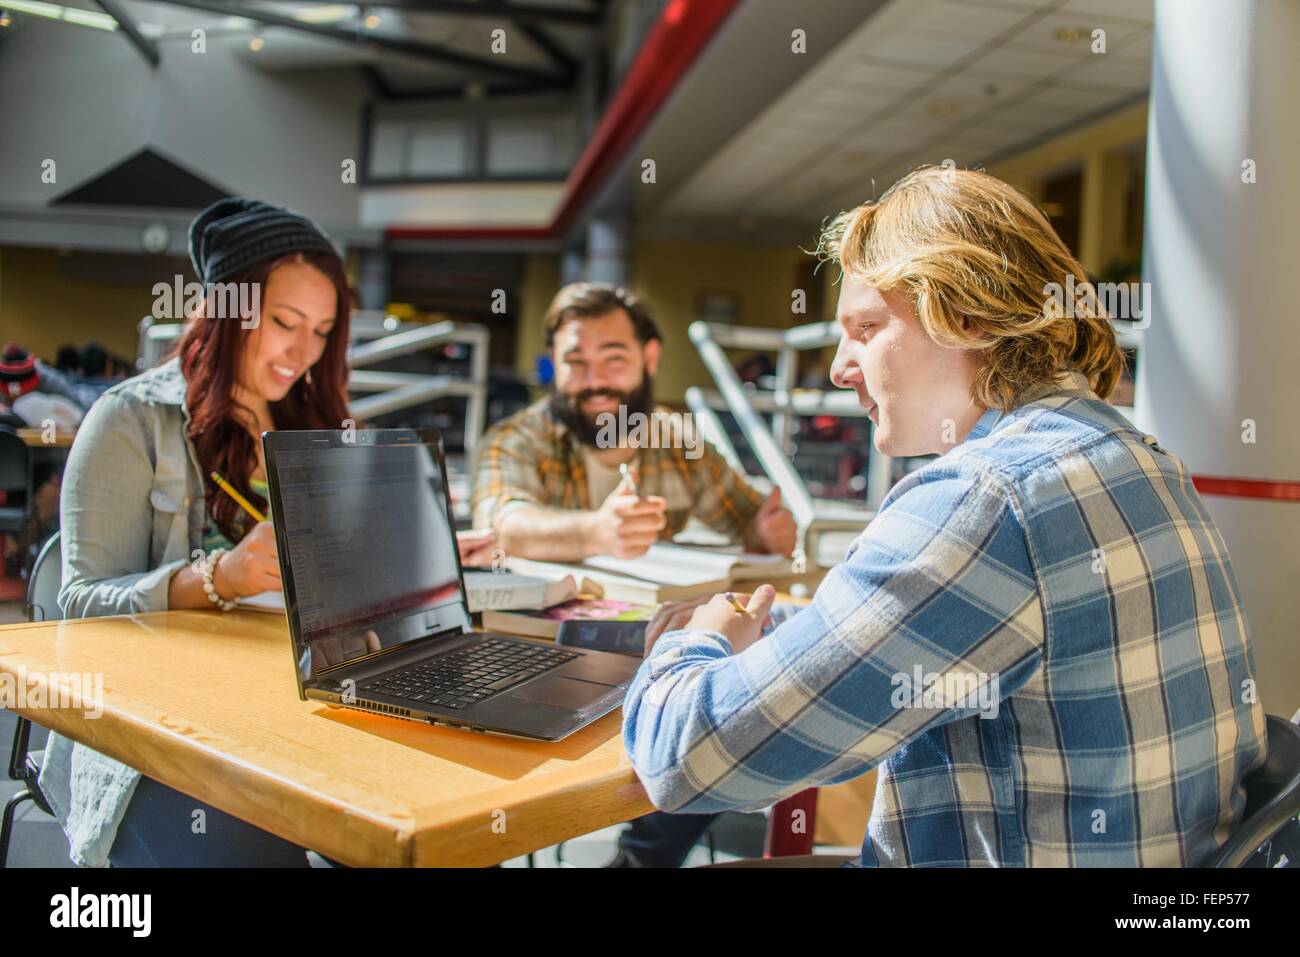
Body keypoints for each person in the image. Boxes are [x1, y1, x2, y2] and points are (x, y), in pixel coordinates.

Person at [624, 166, 1267, 867]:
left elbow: (690, 758)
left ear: (970, 315)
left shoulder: (986, 499)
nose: (839, 367)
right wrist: (784, 637)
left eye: (866, 328)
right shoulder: (1138, 456)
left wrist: (692, 643)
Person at [471, 281, 798, 867]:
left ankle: (643, 859)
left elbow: (749, 517)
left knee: (732, 701)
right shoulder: (517, 437)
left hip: (661, 645)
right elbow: (502, 522)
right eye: (575, 361)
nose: (594, 378)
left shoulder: (675, 438)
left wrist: (769, 531)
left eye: (613, 358)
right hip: (542, 658)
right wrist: (595, 531)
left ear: (649, 358)